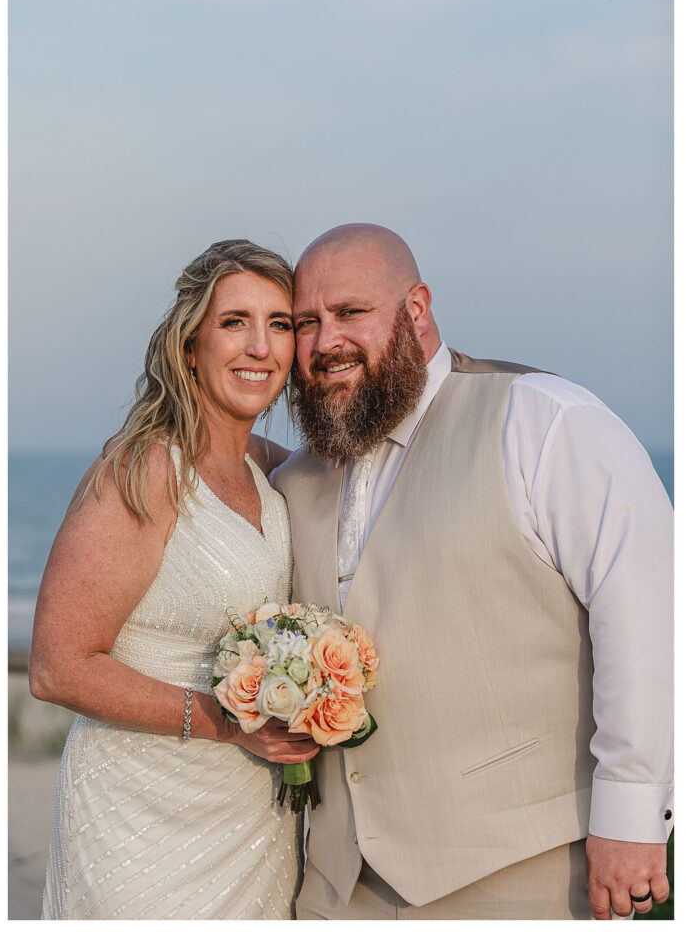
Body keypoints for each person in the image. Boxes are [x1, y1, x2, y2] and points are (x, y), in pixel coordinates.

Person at [272, 222, 673, 921]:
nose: (325, 341)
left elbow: (646, 615)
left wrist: (632, 815)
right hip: (336, 885)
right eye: (306, 322)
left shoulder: (542, 419)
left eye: (350, 313)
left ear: (417, 310)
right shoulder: (296, 478)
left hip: (527, 870)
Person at [29, 239, 318, 920]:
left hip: (254, 825)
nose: (259, 346)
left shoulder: (274, 472)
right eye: (234, 322)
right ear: (191, 346)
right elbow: (55, 667)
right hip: (139, 820)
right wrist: (228, 723)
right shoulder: (145, 470)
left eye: (279, 324)